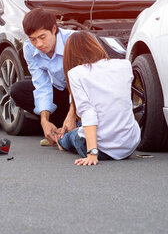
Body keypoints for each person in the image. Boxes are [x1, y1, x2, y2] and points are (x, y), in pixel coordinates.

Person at [57, 31, 140, 166]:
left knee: (71, 137)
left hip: (102, 150)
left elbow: (88, 112)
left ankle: (60, 140)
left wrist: (92, 153)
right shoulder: (124, 65)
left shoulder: (76, 73)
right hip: (128, 146)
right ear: (96, 46)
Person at [10, 8, 77, 146]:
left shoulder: (73, 41)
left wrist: (72, 115)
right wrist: (44, 121)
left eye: (42, 37)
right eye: (33, 39)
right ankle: (57, 128)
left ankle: (73, 124)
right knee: (19, 90)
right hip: (61, 92)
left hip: (84, 93)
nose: (38, 44)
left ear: (54, 29)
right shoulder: (29, 48)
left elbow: (81, 84)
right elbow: (41, 84)